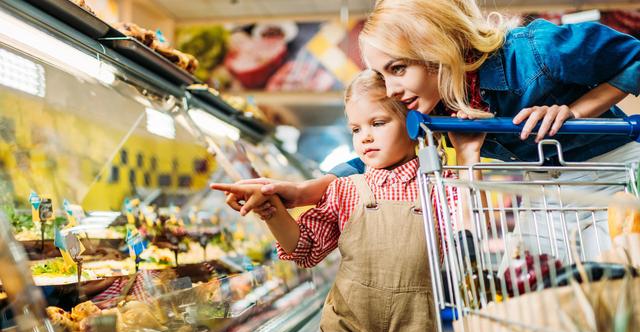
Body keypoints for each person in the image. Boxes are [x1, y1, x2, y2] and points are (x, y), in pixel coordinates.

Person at [226, 0, 640, 257]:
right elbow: (377, 157)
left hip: (616, 175)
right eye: (381, 74)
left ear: (436, 47)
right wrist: (301, 191)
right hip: (545, 197)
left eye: (398, 68)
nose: (390, 89)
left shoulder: (534, 52)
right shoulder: (436, 104)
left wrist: (573, 110)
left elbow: (634, 57)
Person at [212, 70, 480, 332]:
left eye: (378, 122)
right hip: (353, 328)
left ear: (414, 123)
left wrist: (469, 154)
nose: (365, 137)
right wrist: (271, 212)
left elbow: (464, 233)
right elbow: (306, 250)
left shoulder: (440, 186)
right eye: (356, 129)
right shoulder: (345, 189)